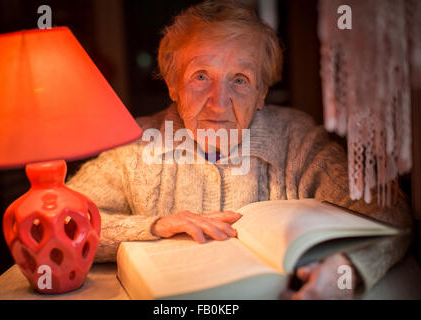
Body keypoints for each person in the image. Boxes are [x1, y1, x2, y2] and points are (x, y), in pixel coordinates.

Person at [66, 0, 412, 299]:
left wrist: (346, 270)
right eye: (201, 76)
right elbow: (62, 221)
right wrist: (154, 226)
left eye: (240, 80)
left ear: (262, 93)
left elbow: (389, 211)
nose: (219, 102)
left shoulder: (296, 140)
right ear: (173, 84)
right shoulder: (137, 142)